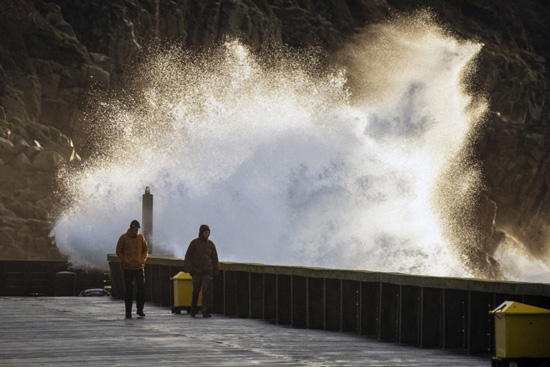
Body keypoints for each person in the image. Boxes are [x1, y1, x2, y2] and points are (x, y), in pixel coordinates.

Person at [183, 224, 219, 318]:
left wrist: (216, 270)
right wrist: (188, 268)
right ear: (201, 233)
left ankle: (205, 311)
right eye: (205, 232)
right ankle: (193, 310)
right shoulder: (194, 243)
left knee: (206, 291)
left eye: (208, 232)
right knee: (196, 291)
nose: (207, 234)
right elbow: (188, 256)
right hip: (196, 271)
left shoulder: (211, 244)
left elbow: (214, 258)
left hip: (207, 271)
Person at [116, 219, 149, 319]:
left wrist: (142, 260)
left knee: (141, 288)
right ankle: (128, 311)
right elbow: (119, 251)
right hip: (128, 268)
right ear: (131, 228)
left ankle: (140, 309)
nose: (136, 231)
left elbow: (145, 250)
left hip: (139, 267)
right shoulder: (123, 238)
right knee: (129, 290)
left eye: (138, 229)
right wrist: (124, 260)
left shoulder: (141, 237)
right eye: (135, 229)